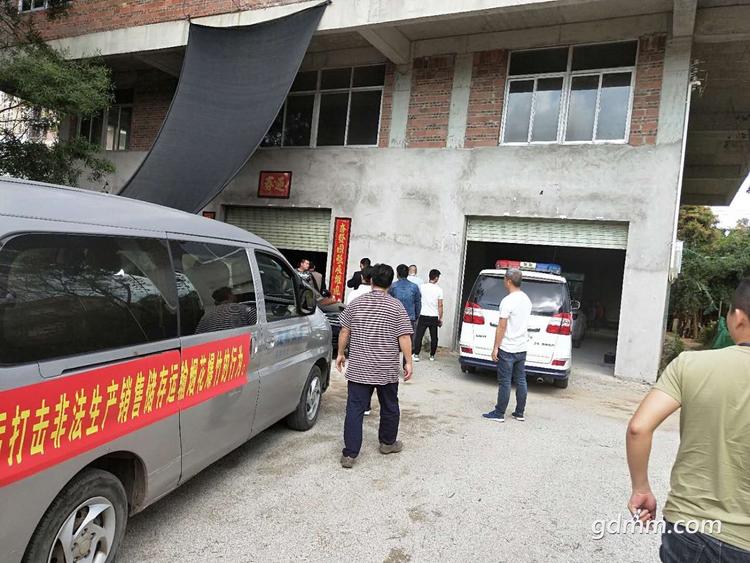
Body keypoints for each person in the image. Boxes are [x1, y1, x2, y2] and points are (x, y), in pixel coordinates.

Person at [625, 278, 750, 561]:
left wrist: (641, 488)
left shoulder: (690, 364)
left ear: (738, 318)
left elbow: (638, 428)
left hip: (690, 528)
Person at [336, 263, 414, 469]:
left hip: (359, 367)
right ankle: (387, 443)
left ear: (371, 281)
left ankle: (350, 454)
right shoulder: (396, 306)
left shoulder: (356, 303)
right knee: (390, 406)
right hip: (385, 368)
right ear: (390, 284)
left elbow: (344, 330)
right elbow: (404, 336)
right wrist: (408, 362)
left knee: (354, 409)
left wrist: (340, 353)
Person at [482, 268, 531, 422]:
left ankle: (499, 413)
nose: (504, 281)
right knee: (521, 380)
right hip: (522, 347)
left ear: (509, 281)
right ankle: (519, 412)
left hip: (508, 347)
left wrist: (495, 347)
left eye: (504, 279)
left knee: (505, 382)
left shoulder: (508, 301)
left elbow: (502, 326)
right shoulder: (526, 299)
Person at [413, 269, 443, 362]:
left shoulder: (422, 287)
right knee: (434, 337)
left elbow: (417, 299)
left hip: (423, 314)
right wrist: (440, 318)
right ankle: (432, 355)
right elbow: (440, 305)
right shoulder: (439, 290)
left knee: (419, 336)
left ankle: (416, 354)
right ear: (436, 278)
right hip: (434, 316)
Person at [388, 264, 421, 336]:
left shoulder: (392, 286)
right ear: (407, 273)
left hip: (395, 318)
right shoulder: (414, 286)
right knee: (409, 339)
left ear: (397, 274)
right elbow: (418, 303)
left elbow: (388, 302)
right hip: (410, 318)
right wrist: (416, 316)